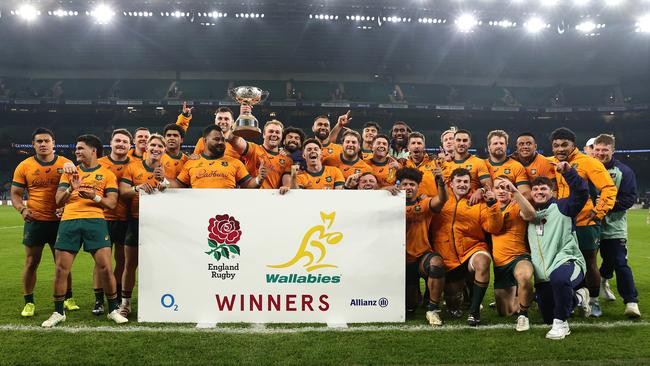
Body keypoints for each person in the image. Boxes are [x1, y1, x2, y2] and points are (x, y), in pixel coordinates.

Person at [43, 134, 127, 327]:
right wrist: (70, 190)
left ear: (93, 150)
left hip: (95, 221)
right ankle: (58, 312)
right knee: (61, 269)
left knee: (105, 267)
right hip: (69, 221)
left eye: (81, 148)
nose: (77, 151)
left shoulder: (107, 174)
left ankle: (113, 309)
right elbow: (58, 200)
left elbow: (112, 203)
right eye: (76, 148)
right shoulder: (69, 173)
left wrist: (94, 196)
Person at [550, 127, 617, 317]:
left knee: (590, 263)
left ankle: (594, 301)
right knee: (564, 263)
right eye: (556, 145)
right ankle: (575, 298)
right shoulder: (552, 162)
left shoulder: (588, 162)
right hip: (562, 224)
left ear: (574, 145)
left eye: (564, 145)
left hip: (585, 224)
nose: (560, 149)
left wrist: (598, 212)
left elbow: (608, 188)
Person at [11, 128, 75, 317]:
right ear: (33, 145)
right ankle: (29, 302)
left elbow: (75, 189)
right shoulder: (24, 166)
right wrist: (22, 209)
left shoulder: (66, 164)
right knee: (31, 262)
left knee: (63, 263)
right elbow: (15, 194)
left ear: (54, 143)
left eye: (46, 141)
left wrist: (66, 207)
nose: (43, 144)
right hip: (35, 220)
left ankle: (68, 298)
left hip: (60, 221)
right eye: (39, 141)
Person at [525, 162, 591, 340]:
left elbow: (582, 193)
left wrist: (569, 172)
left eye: (544, 188)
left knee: (559, 280)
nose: (539, 192)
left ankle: (562, 325)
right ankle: (579, 297)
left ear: (552, 192)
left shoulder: (563, 207)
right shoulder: (529, 216)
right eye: (536, 189)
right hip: (542, 275)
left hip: (567, 261)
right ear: (531, 194)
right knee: (548, 316)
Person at [430, 168, 503, 326]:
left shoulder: (479, 201)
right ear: (451, 183)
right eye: (459, 181)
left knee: (483, 261)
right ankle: (461, 295)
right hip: (447, 256)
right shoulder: (441, 199)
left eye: (466, 182)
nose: (462, 185)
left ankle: (474, 311)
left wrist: (492, 204)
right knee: (452, 303)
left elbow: (494, 228)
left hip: (471, 250)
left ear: (470, 184)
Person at [117, 134, 170, 318]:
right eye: (153, 145)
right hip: (136, 221)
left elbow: (179, 190)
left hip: (161, 223)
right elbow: (122, 192)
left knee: (161, 263)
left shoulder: (169, 167)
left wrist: (164, 182)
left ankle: (160, 301)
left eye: (160, 146)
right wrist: (137, 188)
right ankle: (125, 304)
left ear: (164, 150)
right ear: (146, 147)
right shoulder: (133, 167)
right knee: (130, 264)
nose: (156, 148)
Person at [592, 134, 641, 317]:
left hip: (613, 226)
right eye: (598, 149)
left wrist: (605, 205)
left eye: (605, 150)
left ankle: (631, 302)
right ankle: (585, 298)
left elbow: (629, 199)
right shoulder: (585, 168)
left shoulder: (624, 171)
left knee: (619, 262)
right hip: (588, 225)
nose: (601, 153)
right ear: (593, 150)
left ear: (612, 150)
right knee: (585, 263)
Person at [399, 167, 448, 326]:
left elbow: (441, 199)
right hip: (400, 261)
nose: (408, 187)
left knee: (436, 264)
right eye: (404, 184)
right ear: (399, 186)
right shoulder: (389, 204)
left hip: (421, 257)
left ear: (418, 187)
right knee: (410, 306)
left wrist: (440, 183)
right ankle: (417, 297)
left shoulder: (425, 203)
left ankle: (432, 309)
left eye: (412, 184)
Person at [93, 128, 133, 315]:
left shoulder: (134, 165)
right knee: (101, 261)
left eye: (125, 142)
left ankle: (115, 296)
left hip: (124, 218)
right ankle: (98, 300)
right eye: (118, 140)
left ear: (129, 146)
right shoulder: (99, 163)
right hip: (101, 217)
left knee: (121, 260)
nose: (121, 144)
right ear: (111, 142)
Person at [490, 176, 534, 331]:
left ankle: (524, 315)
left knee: (525, 277)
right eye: (497, 188)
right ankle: (530, 297)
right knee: (505, 312)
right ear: (492, 191)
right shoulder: (490, 207)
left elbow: (530, 215)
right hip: (500, 263)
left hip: (519, 256)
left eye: (505, 187)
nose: (501, 191)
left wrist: (515, 192)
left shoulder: (517, 205)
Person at [171, 126, 265, 189]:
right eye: (216, 139)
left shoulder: (235, 163)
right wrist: (163, 180)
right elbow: (179, 185)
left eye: (223, 139)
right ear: (205, 141)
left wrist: (259, 179)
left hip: (226, 213)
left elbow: (248, 184)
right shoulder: (191, 162)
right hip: (199, 211)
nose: (220, 142)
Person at [229, 119, 293, 189]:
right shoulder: (253, 149)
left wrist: (286, 187)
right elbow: (236, 141)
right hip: (250, 196)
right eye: (271, 131)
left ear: (281, 137)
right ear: (264, 135)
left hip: (272, 198)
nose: (274, 134)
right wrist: (239, 119)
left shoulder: (287, 160)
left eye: (277, 132)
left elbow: (287, 184)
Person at [443, 129, 492, 205]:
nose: (461, 143)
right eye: (458, 140)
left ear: (469, 144)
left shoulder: (478, 162)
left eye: (465, 140)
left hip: (470, 206)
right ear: (454, 143)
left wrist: (481, 190)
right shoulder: (444, 163)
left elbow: (488, 185)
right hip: (447, 207)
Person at [176, 103, 242, 159]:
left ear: (232, 122)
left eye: (226, 119)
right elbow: (195, 163)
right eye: (220, 118)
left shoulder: (238, 143)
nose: (222, 121)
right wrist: (184, 117)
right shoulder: (202, 141)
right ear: (215, 120)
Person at [484, 130, 531, 200]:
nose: (499, 146)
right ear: (488, 147)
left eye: (501, 143)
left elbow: (526, 194)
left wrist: (507, 202)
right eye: (495, 143)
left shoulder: (516, 166)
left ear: (506, 146)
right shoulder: (481, 164)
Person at [404, 132, 440, 198]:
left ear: (424, 146)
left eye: (419, 143)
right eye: (413, 143)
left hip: (431, 205)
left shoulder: (435, 162)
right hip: (410, 206)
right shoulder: (403, 165)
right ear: (408, 147)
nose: (416, 146)